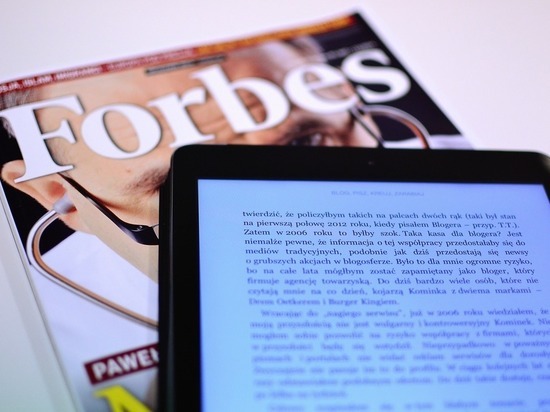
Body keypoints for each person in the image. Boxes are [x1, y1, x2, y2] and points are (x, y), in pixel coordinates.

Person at [0, 37, 383, 411]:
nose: (283, 231)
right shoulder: (28, 349)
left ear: (349, 98)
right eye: (177, 187)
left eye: (305, 143)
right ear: (59, 195)